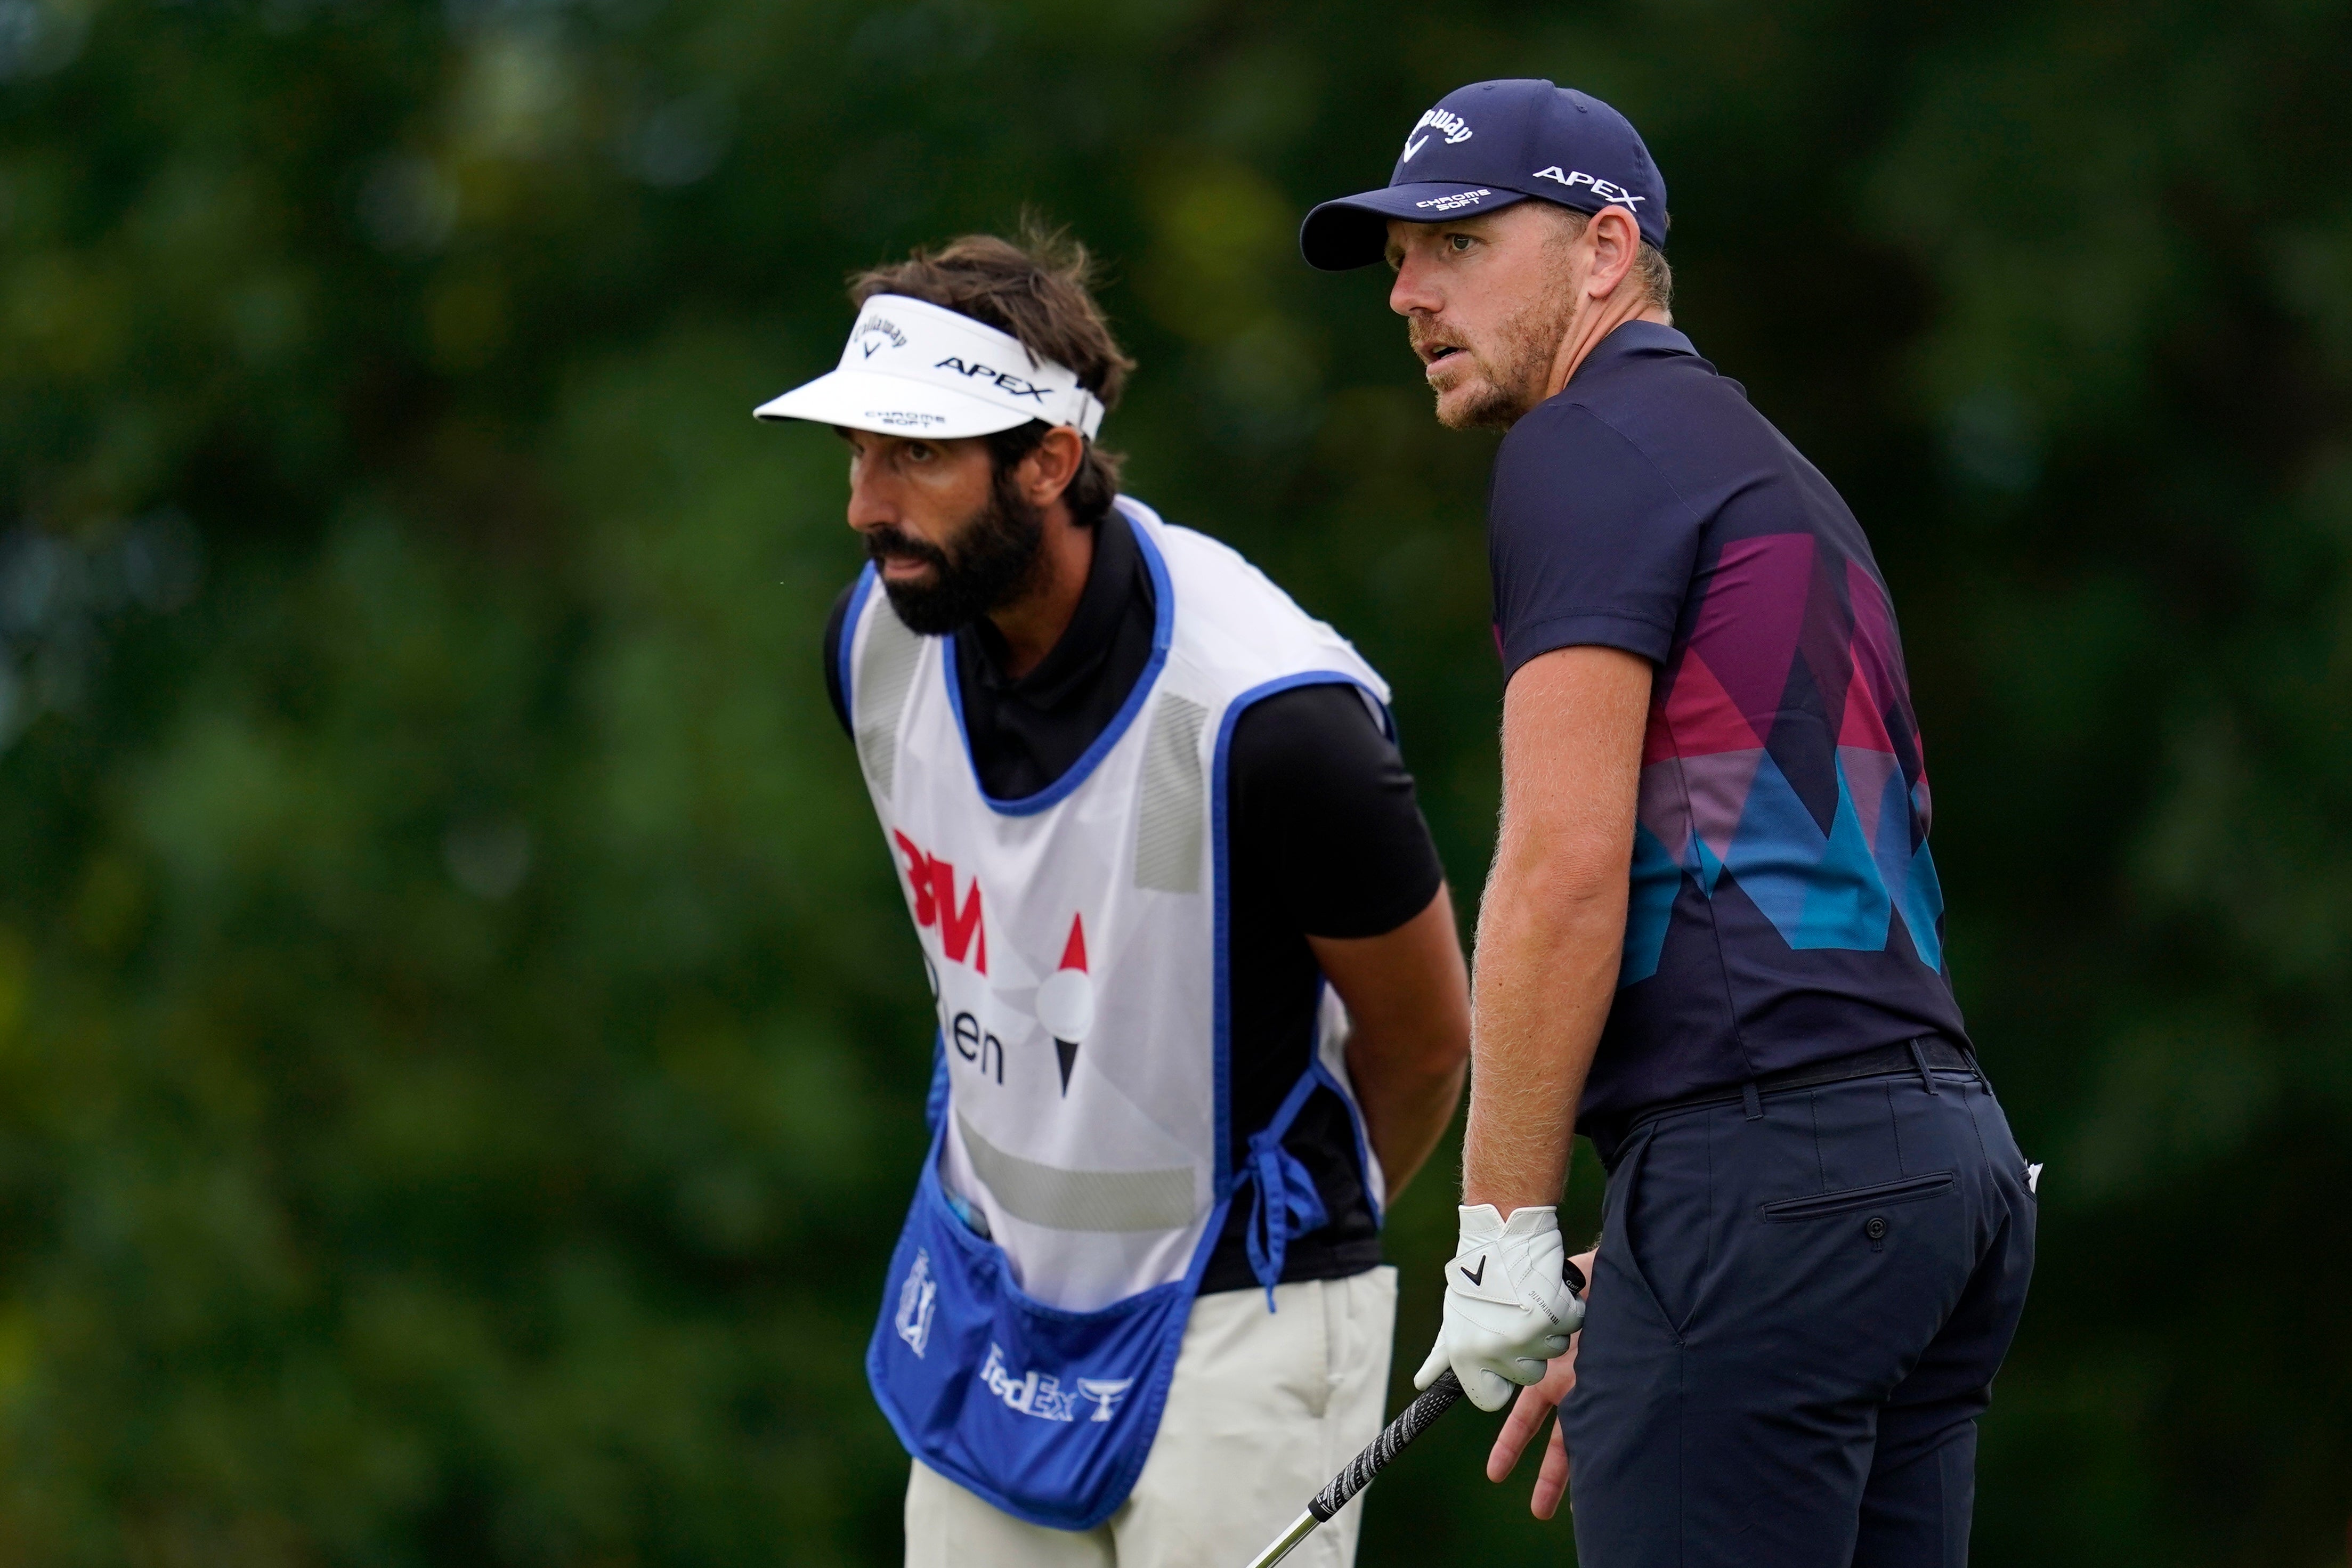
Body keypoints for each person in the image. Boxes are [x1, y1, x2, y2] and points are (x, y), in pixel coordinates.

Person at [1301, 79, 2037, 1566]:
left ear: (1601, 251)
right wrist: (1646, 1257)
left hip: (1773, 1178)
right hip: (1937, 1170)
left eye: (1456, 242)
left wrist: (1500, 1229)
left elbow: (1560, 871)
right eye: (1395, 257)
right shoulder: (1775, 474)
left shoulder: (1582, 447)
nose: (1407, 290)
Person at [756, 228, 1471, 1567]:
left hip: (1241, 1313)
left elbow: (1429, 1040)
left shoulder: (1277, 717)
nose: (864, 503)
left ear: (1047, 460)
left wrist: (1278, 1235)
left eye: (915, 454)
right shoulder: (874, 640)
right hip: (994, 1290)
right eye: (857, 451)